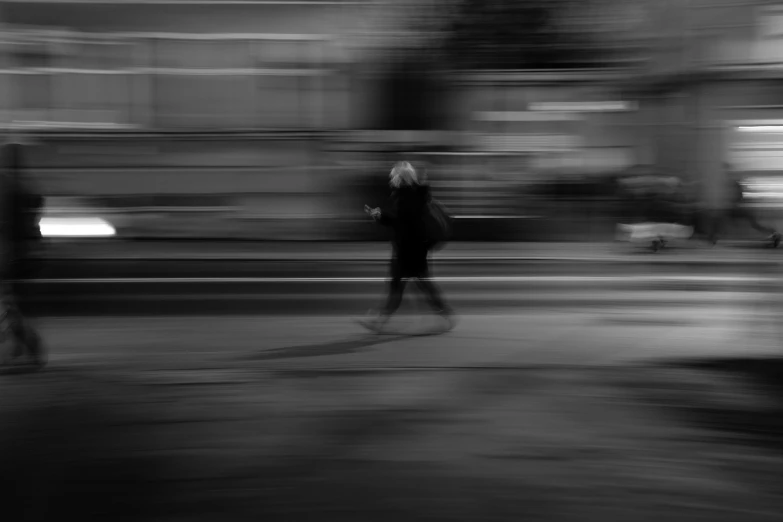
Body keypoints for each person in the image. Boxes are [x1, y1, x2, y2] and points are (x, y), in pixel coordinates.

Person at [359, 161, 455, 333]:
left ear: (400, 177)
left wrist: (380, 216)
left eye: (394, 176)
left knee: (399, 286)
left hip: (407, 251)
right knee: (419, 285)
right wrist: (380, 215)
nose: (391, 179)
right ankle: (446, 314)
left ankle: (379, 320)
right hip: (416, 249)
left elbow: (401, 223)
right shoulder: (415, 195)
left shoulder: (406, 197)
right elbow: (403, 222)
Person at [0, 134, 46, 368]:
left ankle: (30, 349)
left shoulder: (7, 185)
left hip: (8, 254)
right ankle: (25, 350)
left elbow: (7, 224)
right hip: (21, 254)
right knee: (11, 304)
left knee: (8, 306)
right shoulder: (24, 186)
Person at [708, 164, 781, 246]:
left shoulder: (734, 183)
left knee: (722, 218)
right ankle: (714, 237)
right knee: (754, 224)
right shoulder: (732, 183)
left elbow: (739, 197)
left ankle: (713, 237)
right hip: (738, 209)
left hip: (741, 209)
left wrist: (732, 203)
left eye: (724, 172)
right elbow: (737, 197)